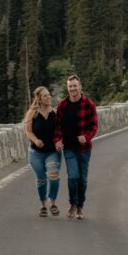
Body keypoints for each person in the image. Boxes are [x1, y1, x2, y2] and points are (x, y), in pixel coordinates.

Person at [54, 74, 98, 220]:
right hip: (69, 148)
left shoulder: (88, 104)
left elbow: (94, 126)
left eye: (75, 86)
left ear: (80, 87)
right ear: (67, 88)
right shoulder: (62, 105)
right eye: (70, 86)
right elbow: (58, 126)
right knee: (73, 176)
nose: (72, 88)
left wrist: (86, 137)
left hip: (85, 149)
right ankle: (72, 204)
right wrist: (57, 140)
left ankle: (80, 207)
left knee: (82, 180)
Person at [23, 86, 61, 217]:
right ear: (39, 98)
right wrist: (35, 140)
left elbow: (60, 131)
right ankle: (43, 205)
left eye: (49, 95)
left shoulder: (55, 113)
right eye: (45, 95)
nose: (49, 97)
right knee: (41, 179)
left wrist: (60, 141)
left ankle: (53, 203)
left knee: (54, 177)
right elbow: (28, 130)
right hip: (36, 153)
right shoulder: (32, 113)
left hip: (52, 151)